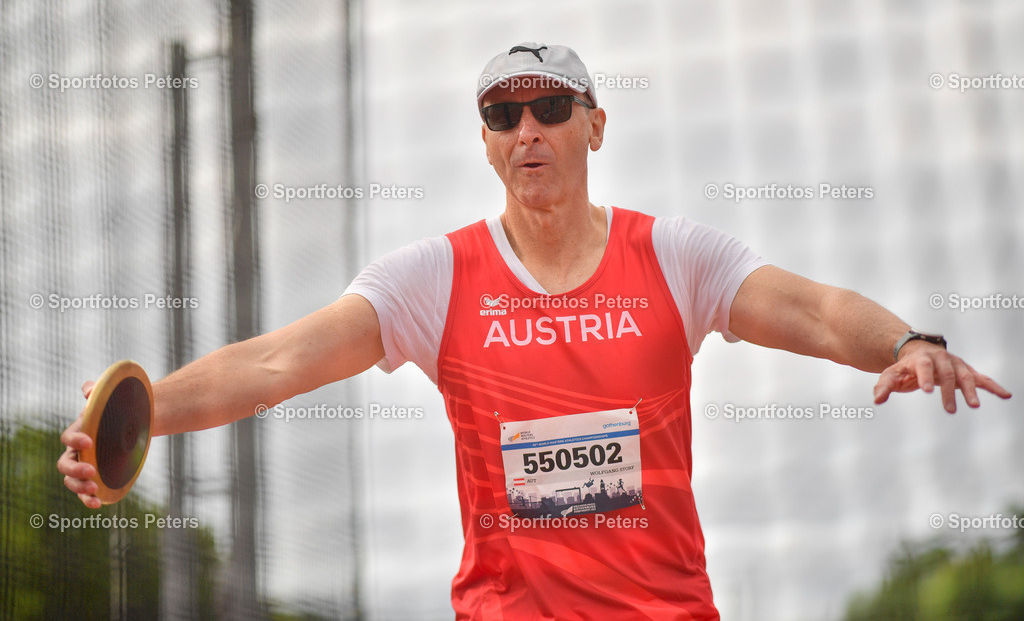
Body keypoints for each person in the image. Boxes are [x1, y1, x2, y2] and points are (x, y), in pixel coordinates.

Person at [59, 42, 1011, 619]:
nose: (528, 130)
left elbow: (812, 307)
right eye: (503, 113)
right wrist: (141, 415)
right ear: (483, 138)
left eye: (550, 108)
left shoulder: (673, 257)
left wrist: (904, 342)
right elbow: (274, 363)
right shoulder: (434, 278)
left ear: (594, 125)